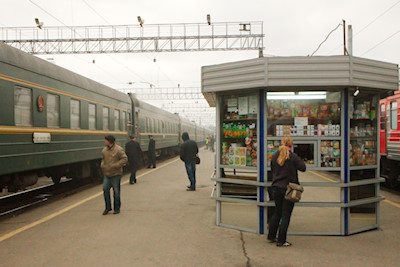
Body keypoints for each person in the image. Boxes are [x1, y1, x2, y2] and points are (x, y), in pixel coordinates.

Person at [267, 136, 306, 247]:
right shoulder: (293, 157)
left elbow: (272, 170)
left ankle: (271, 236)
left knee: (277, 212)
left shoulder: (274, 156)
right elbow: (303, 168)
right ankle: (281, 240)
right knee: (286, 215)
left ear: (281, 143)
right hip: (288, 189)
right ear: (291, 145)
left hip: (276, 188)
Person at [101, 135, 128, 215]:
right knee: (105, 190)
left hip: (116, 173)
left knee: (116, 191)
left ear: (109, 141)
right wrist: (102, 165)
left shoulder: (119, 150)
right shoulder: (104, 150)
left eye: (106, 140)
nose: (105, 141)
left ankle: (117, 208)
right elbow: (103, 159)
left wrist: (117, 165)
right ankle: (108, 207)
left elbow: (125, 159)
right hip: (107, 173)